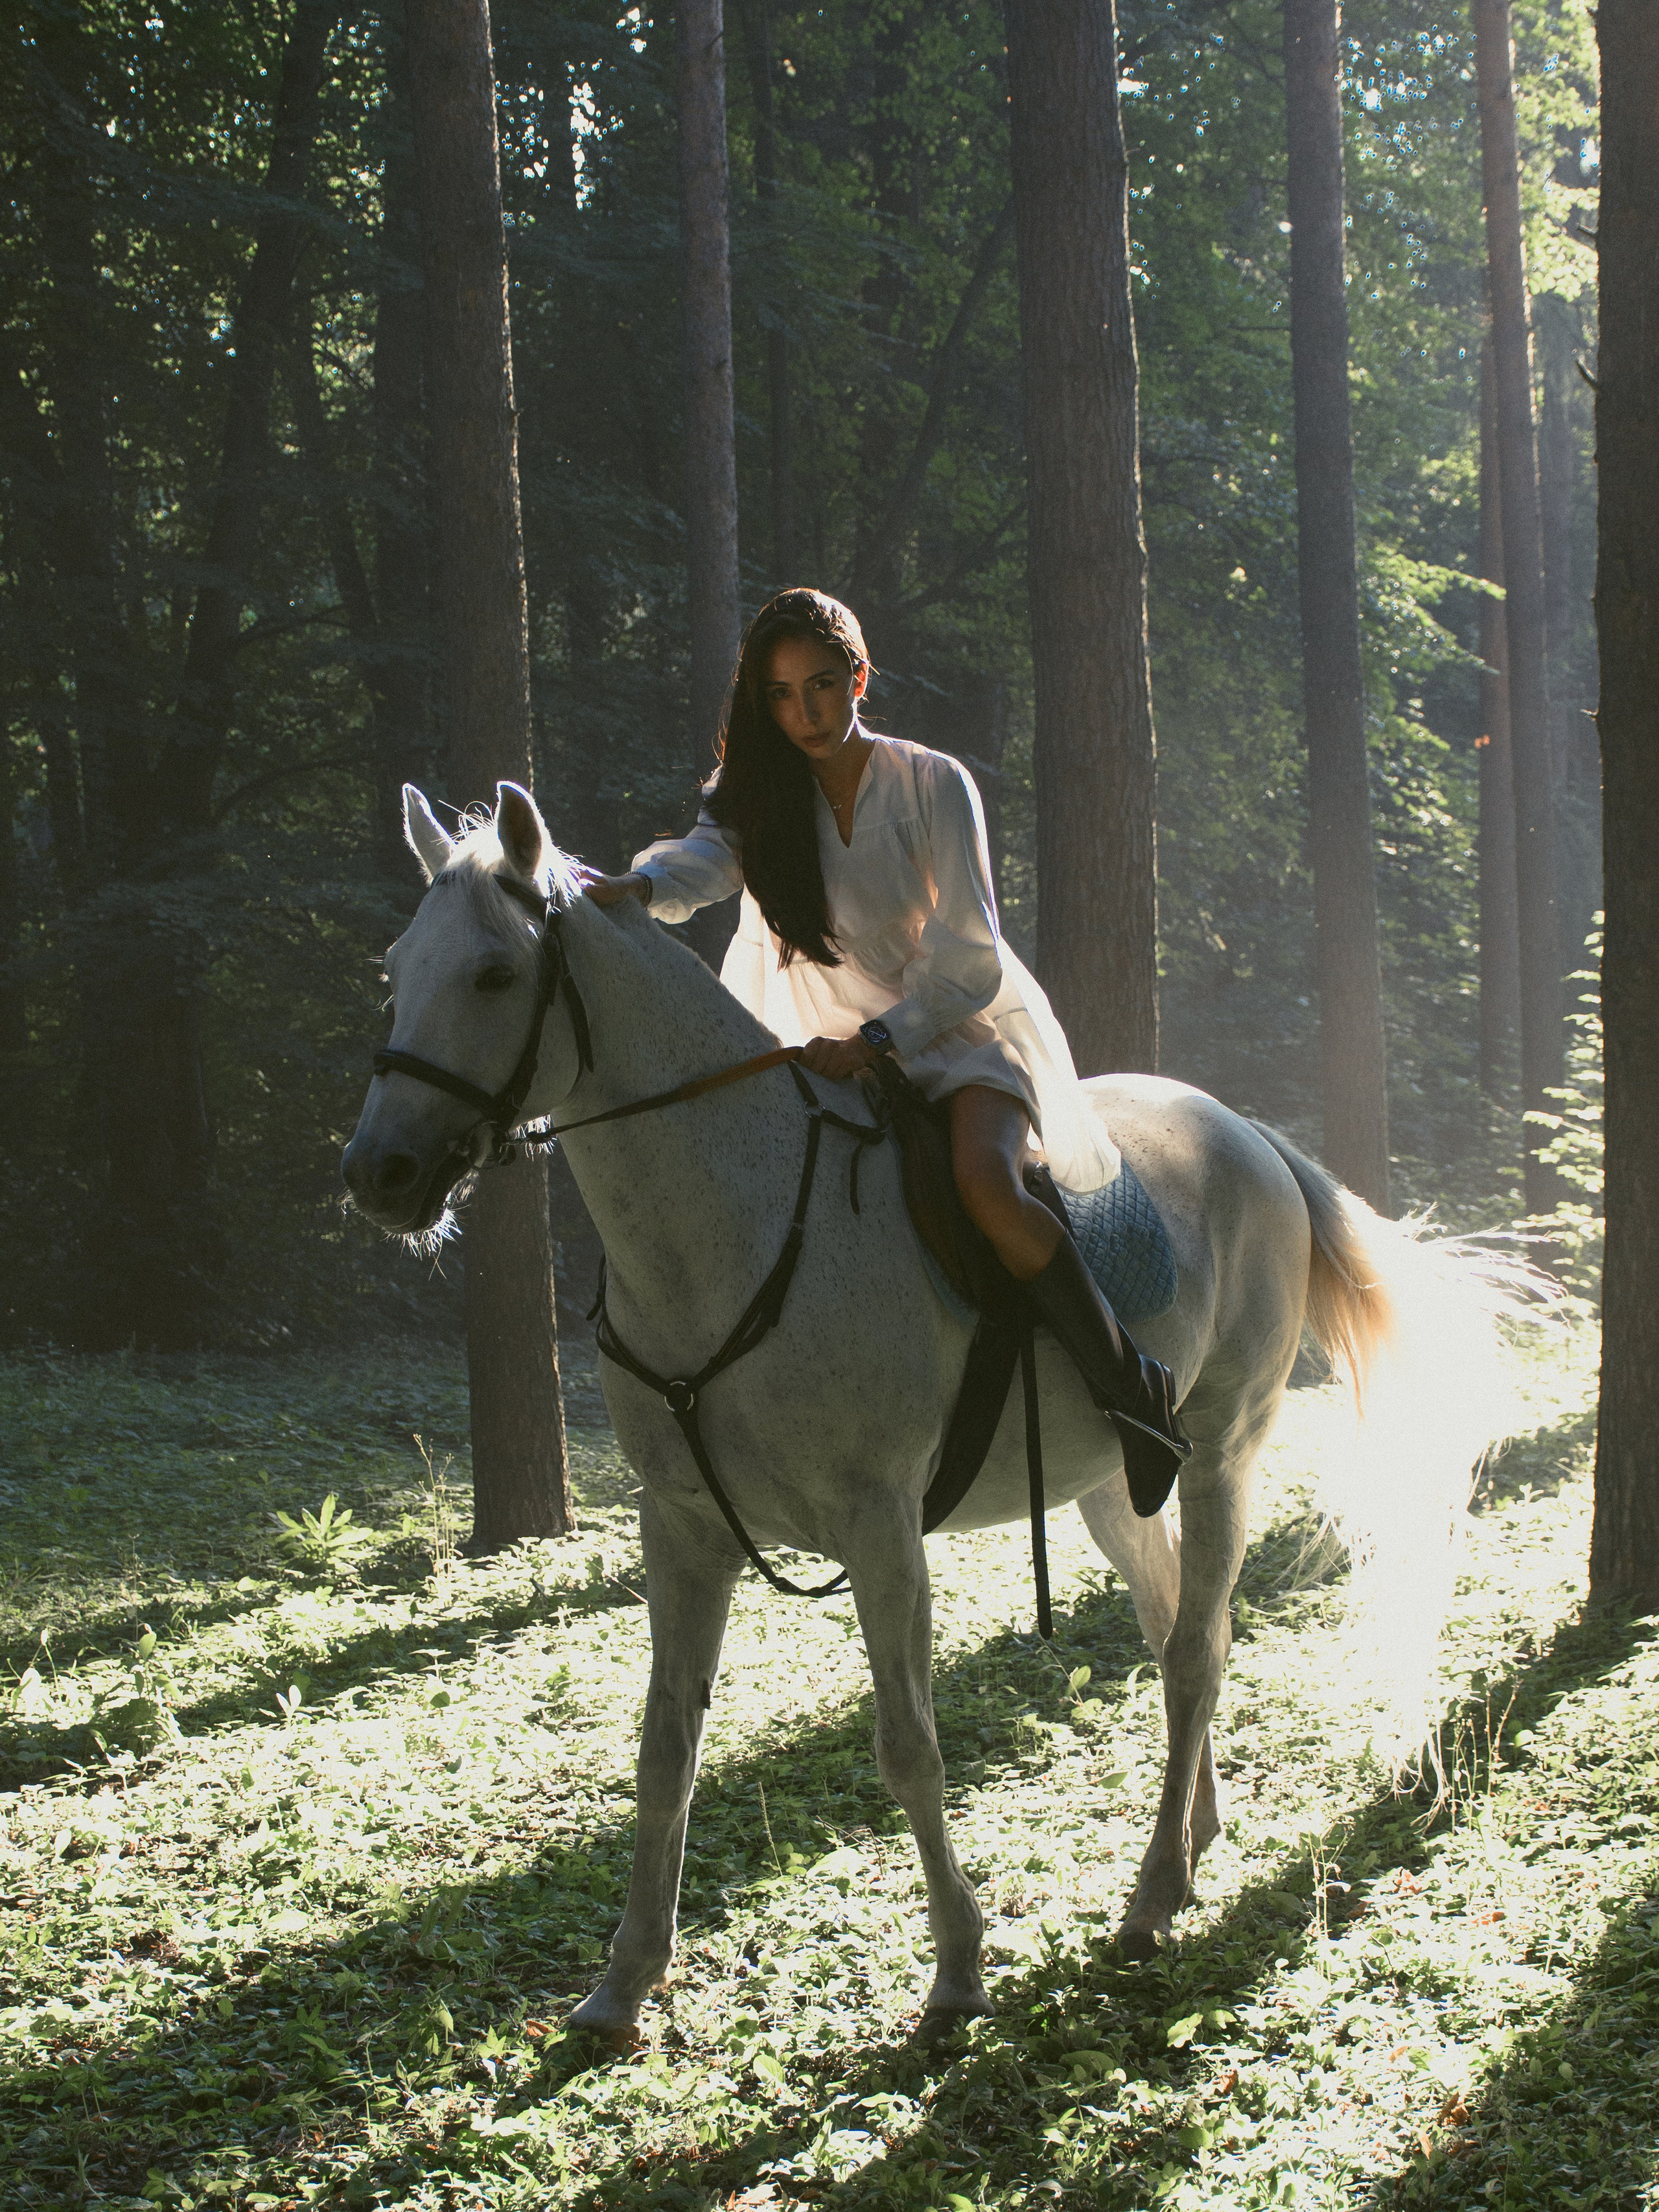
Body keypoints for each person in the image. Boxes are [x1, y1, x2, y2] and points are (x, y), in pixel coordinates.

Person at [583, 588, 1190, 1511]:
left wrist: (879, 1042)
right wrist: (635, 885)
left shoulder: (931, 782)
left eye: (824, 685)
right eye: (783, 694)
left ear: (860, 677)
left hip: (947, 1041)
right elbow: (702, 863)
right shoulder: (755, 793)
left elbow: (969, 955)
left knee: (989, 1183)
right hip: (814, 1051)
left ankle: (1129, 1389)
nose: (807, 713)